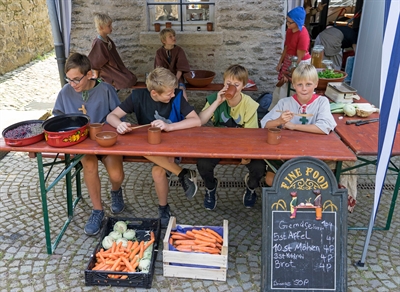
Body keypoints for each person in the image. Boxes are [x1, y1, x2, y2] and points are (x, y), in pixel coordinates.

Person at [106, 67, 201, 227]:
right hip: (147, 147)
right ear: (154, 93)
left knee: (157, 172)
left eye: (173, 91)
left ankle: (163, 207)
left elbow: (196, 121)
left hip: (170, 145)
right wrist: (119, 125)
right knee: (140, 148)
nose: (173, 95)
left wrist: (169, 127)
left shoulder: (176, 96)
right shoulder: (137, 96)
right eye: (168, 93)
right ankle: (182, 173)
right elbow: (111, 116)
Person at [53, 52, 125, 236]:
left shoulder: (106, 90)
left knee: (116, 174)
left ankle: (116, 190)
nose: (72, 84)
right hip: (82, 143)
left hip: (105, 141)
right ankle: (97, 210)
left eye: (77, 79)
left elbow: (119, 115)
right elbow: (58, 117)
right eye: (68, 79)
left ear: (89, 74)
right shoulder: (65, 92)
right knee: (89, 165)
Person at [196, 64, 266, 210]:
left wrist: (246, 153)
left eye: (236, 84)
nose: (231, 87)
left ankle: (251, 187)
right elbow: (200, 121)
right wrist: (217, 102)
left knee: (259, 167)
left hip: (242, 145)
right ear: (223, 83)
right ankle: (210, 187)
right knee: (203, 163)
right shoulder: (215, 98)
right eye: (228, 83)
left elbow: (252, 134)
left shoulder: (249, 104)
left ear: (244, 85)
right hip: (218, 144)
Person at [261, 64, 336, 185]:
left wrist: (294, 126)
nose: (304, 89)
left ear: (316, 84)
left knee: (312, 181)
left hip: (313, 153)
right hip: (286, 152)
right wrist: (279, 121)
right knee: (271, 180)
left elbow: (325, 127)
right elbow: (265, 124)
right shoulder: (285, 103)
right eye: (300, 84)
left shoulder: (322, 102)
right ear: (294, 85)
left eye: (308, 84)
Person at [270, 6, 311, 110]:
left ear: (297, 22)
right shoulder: (289, 31)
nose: (287, 24)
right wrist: (280, 62)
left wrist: (289, 74)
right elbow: (287, 47)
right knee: (281, 88)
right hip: (290, 59)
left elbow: (299, 58)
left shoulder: (303, 35)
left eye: (290, 22)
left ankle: (287, 112)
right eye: (286, 21)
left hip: (300, 63)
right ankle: (276, 111)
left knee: (291, 88)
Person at [88, 13, 137, 90]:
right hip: (108, 71)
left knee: (132, 78)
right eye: (109, 26)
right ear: (101, 27)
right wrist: (96, 75)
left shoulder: (107, 39)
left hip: (115, 68)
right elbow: (96, 62)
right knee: (128, 81)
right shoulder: (99, 42)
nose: (111, 27)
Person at [154, 28, 190, 101]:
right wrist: (167, 82)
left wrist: (175, 81)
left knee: (182, 92)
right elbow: (159, 69)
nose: (174, 38)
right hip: (164, 80)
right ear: (163, 41)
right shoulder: (159, 52)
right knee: (163, 95)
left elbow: (181, 68)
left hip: (177, 79)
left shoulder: (179, 50)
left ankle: (185, 111)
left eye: (174, 35)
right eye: (170, 36)